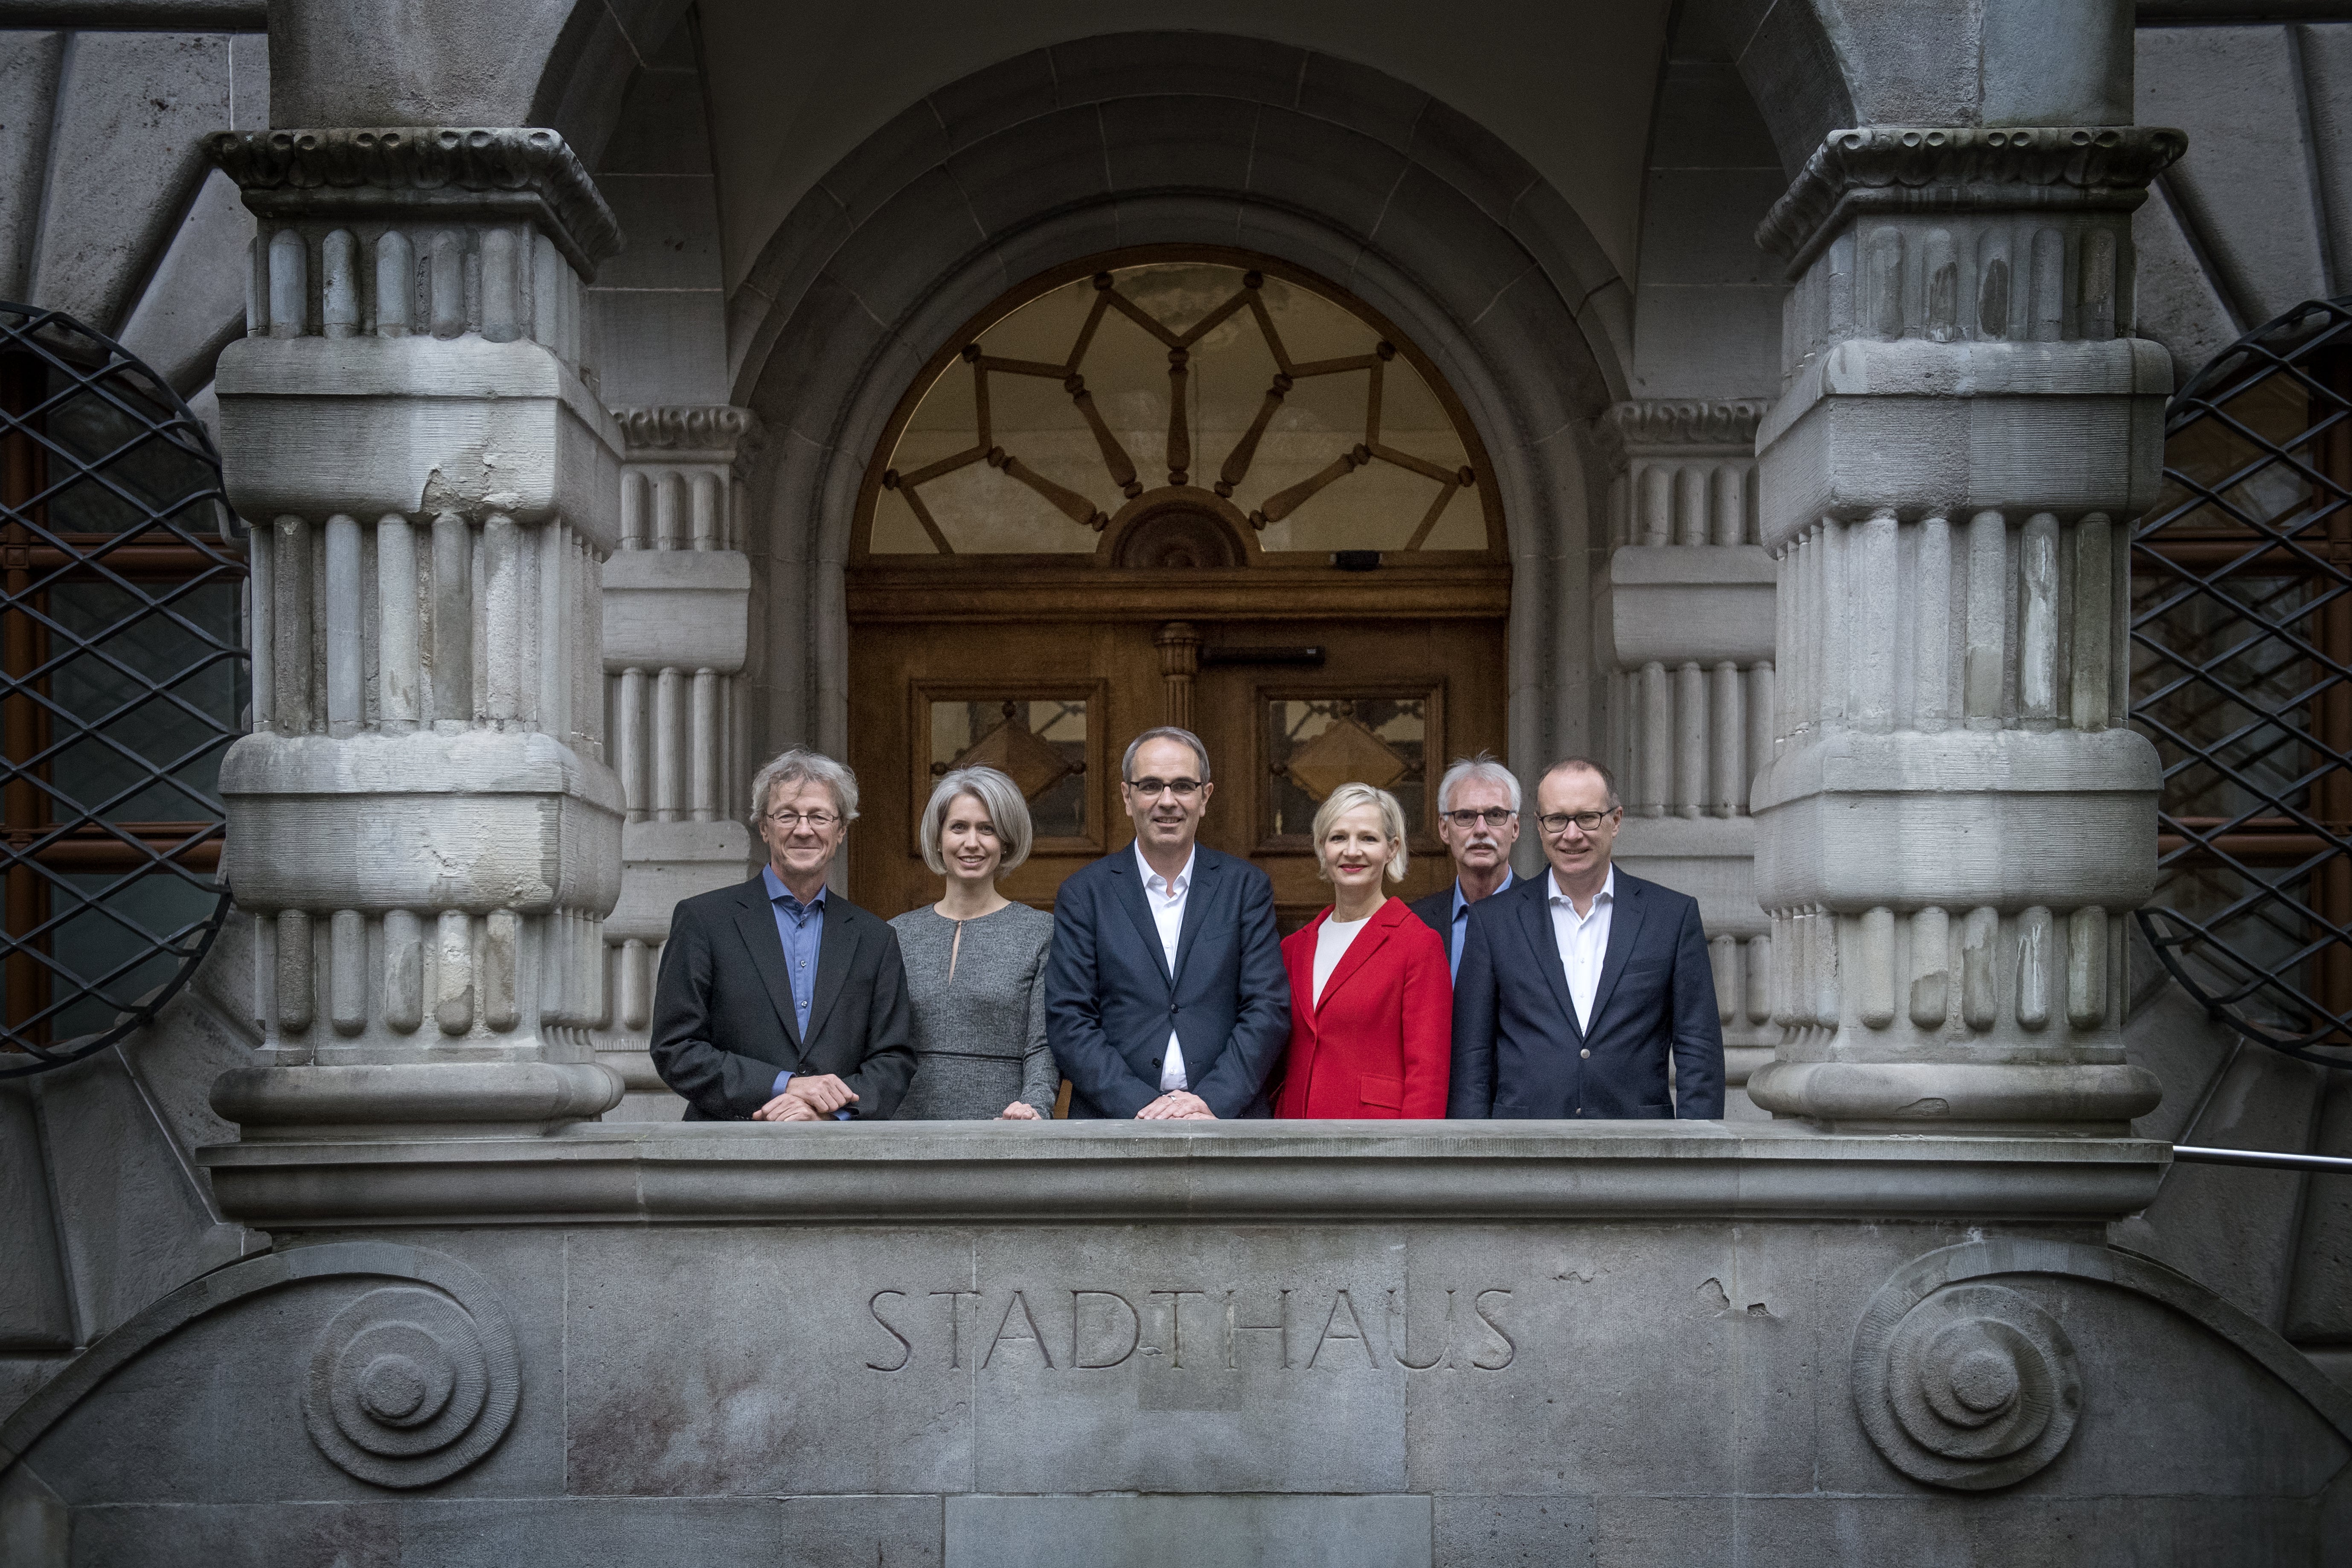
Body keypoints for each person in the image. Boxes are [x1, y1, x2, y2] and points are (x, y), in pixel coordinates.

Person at [1448, 757, 1724, 1120]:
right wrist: (1475, 1158)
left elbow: (1698, 1050)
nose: (1572, 834)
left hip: (1639, 1149)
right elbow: (1472, 1057)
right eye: (1557, 819)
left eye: (1587, 817)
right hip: (1522, 1150)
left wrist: (1697, 1156)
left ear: (1616, 821)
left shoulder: (1671, 916)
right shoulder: (1493, 921)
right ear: (1538, 825)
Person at [648, 748, 915, 1122]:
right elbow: (675, 1048)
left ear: (840, 831)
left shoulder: (875, 937)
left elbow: (893, 1059)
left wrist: (826, 1113)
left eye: (819, 817)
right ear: (764, 826)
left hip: (838, 1155)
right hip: (727, 1152)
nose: (803, 829)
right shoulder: (704, 920)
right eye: (787, 815)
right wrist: (784, 1085)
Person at [1044, 725, 1289, 1119]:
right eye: (1151, 786)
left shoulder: (1244, 888)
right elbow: (1069, 1018)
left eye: (1183, 786)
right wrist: (1142, 1107)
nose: (1167, 801)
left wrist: (1211, 1100)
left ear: (1204, 796)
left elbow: (1267, 1007)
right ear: (1127, 796)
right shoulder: (1084, 893)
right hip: (1115, 1124)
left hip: (1224, 1121)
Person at [889, 766, 1057, 1120]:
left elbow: (1042, 1046)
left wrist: (1034, 1108)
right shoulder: (895, 934)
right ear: (938, 838)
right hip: (904, 1132)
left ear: (1006, 841)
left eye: (987, 829)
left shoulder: (1041, 932)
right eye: (958, 827)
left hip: (1004, 1128)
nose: (972, 842)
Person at [1274, 782, 1451, 1118]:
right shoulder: (1293, 947)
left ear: (1391, 848)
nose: (1351, 851)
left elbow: (1427, 1076)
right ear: (1321, 848)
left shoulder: (1418, 944)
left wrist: (1413, 1161)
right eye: (1338, 837)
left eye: (1368, 838)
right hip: (1292, 1139)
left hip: (1374, 1144)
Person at [1407, 752, 1521, 978]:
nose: (1481, 829)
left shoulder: (1544, 915)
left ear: (1515, 828)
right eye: (1466, 816)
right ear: (1444, 829)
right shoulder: (1416, 923)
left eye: (1496, 815)